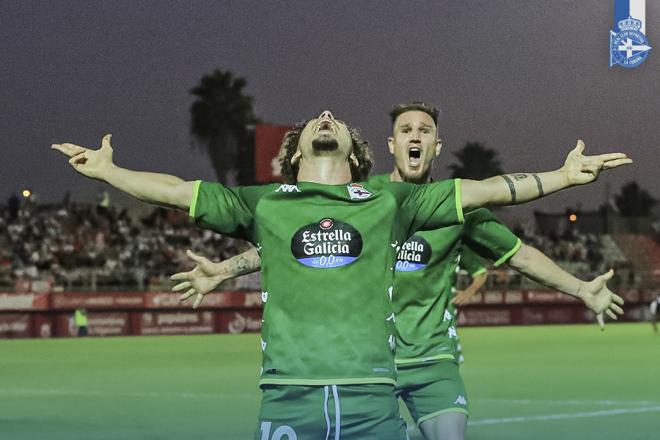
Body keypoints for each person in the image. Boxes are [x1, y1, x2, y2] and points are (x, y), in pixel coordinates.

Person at [53, 110, 629, 439]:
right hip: (288, 398)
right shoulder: (266, 202)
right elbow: (178, 193)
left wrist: (562, 175)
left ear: (355, 156)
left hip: (371, 399)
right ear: (296, 147)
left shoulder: (387, 203)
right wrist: (109, 172)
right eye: (314, 118)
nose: (325, 116)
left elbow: (485, 192)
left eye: (335, 119)